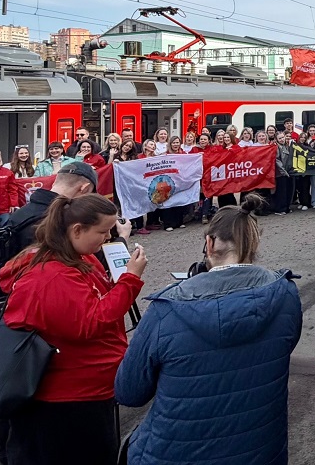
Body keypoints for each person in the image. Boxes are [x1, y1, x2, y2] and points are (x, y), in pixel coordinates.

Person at [115, 196, 302, 465]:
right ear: (254, 243)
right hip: (261, 450)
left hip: (173, 453)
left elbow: (129, 392)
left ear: (210, 243)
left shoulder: (166, 309)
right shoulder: (285, 295)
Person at [0, 194, 147, 465]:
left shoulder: (76, 257)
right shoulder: (52, 275)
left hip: (85, 388)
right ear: (77, 230)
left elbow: (96, 304)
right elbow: (91, 322)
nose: (108, 237)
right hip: (69, 397)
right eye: (103, 231)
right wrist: (130, 280)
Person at [7, 162, 99, 253]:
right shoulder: (62, 220)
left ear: (55, 182)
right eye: (89, 194)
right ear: (84, 188)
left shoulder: (19, 214)